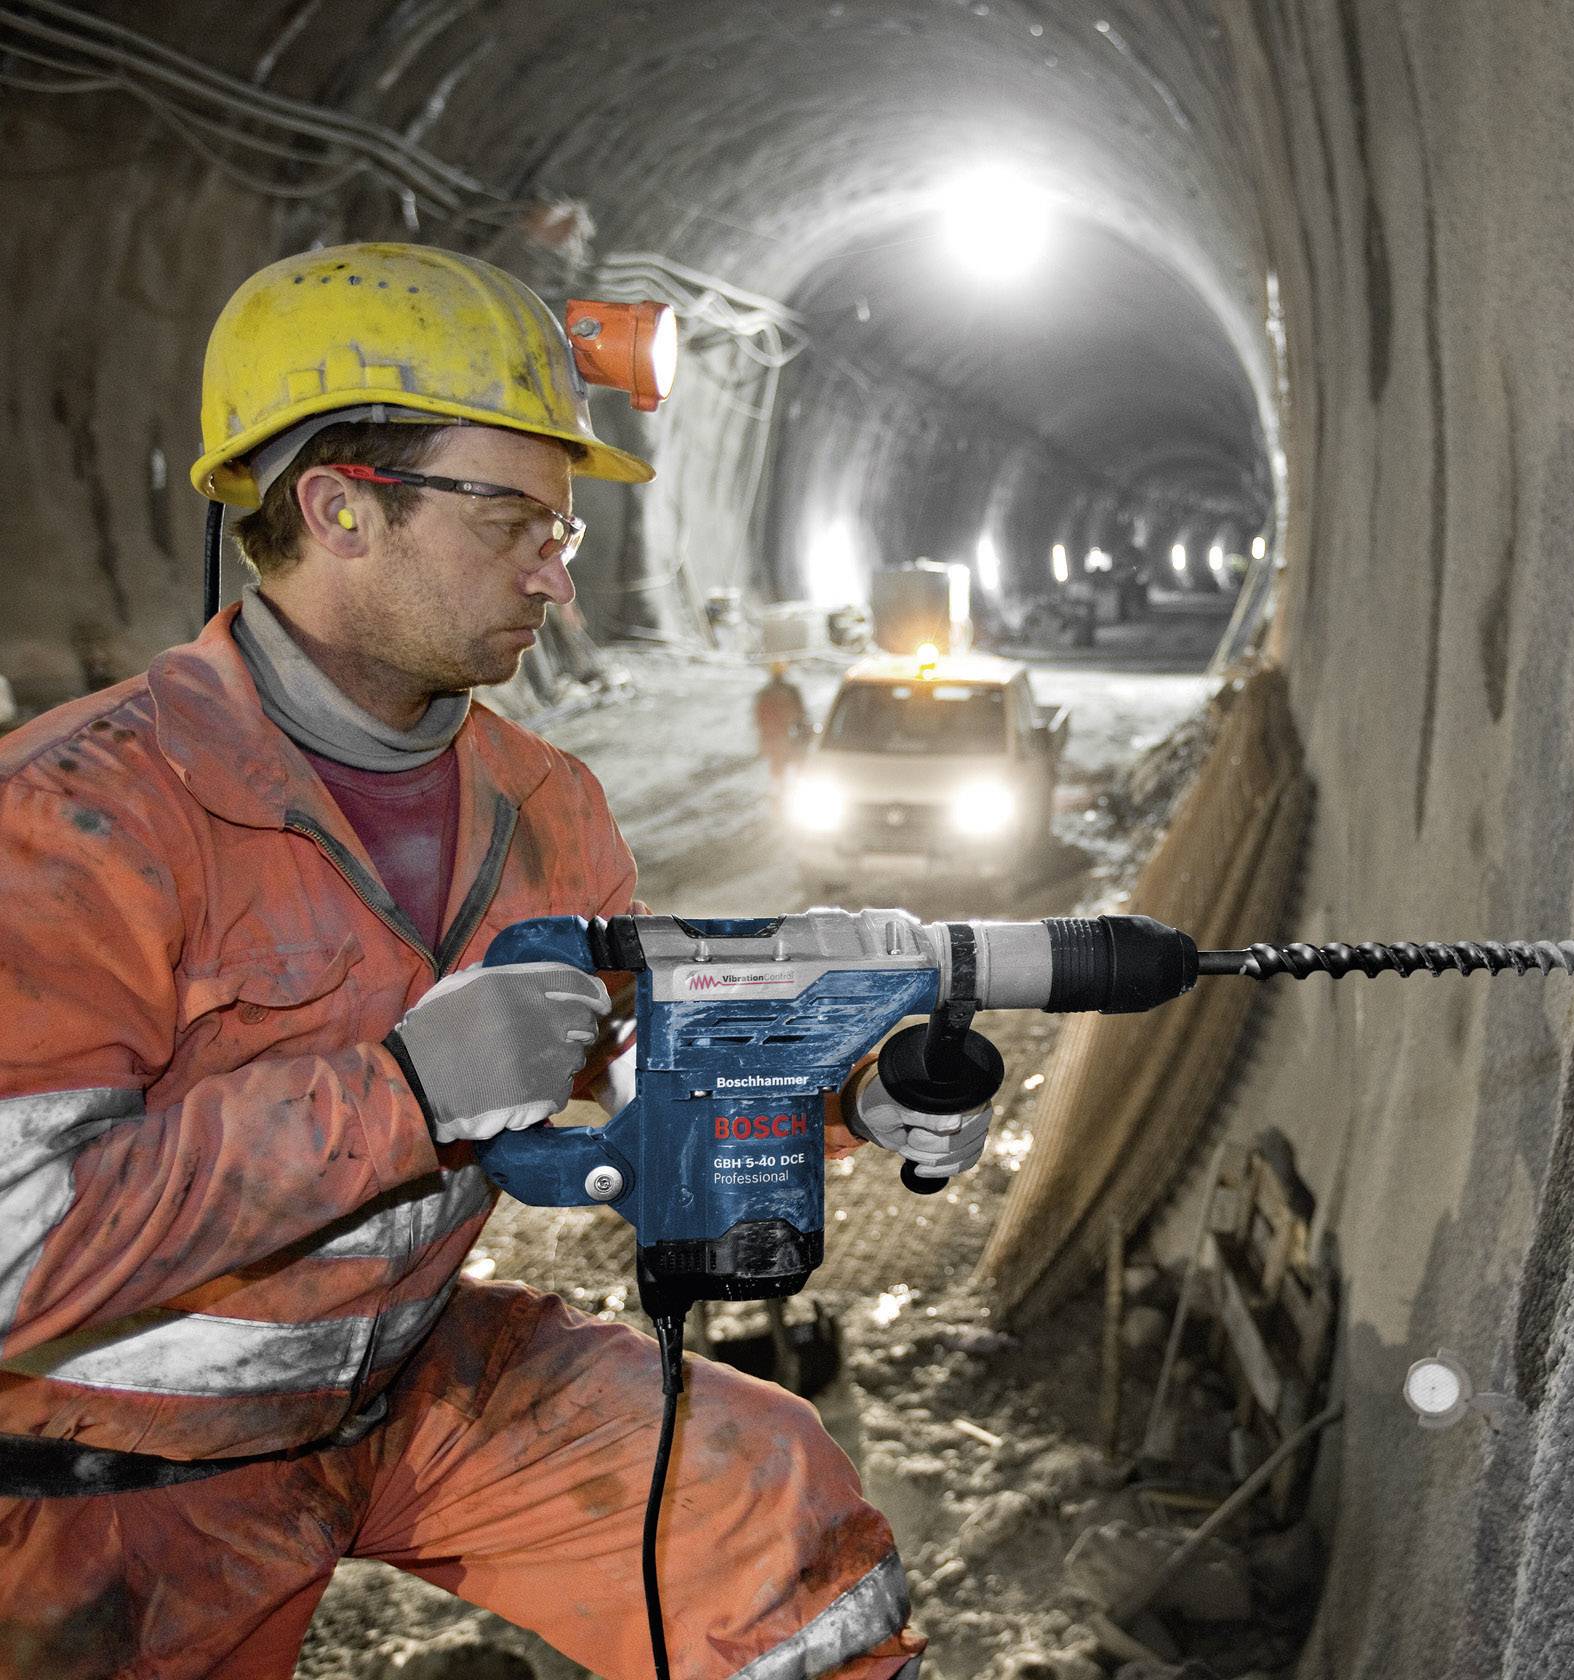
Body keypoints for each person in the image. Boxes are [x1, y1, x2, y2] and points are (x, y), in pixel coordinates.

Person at [0, 244, 950, 1678]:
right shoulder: (78, 817)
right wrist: (404, 1094)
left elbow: (630, 1073)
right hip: (90, 1472)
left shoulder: (545, 805)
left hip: (395, 1385)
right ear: (339, 509)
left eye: (564, 530)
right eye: (514, 521)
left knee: (756, 1501)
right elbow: (16, 1240)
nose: (556, 576)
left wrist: (849, 1090)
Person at [755, 660, 811, 787]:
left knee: (779, 764)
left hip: (777, 736)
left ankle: (781, 786)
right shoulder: (791, 691)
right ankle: (789, 786)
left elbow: (760, 718)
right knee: (794, 762)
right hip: (786, 735)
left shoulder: (765, 693)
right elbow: (801, 712)